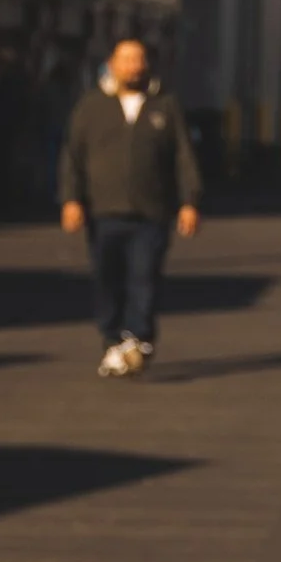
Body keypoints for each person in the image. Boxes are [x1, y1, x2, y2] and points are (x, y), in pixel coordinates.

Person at [57, 34, 202, 377]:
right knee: (106, 279)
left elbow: (183, 156)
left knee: (144, 277)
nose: (133, 67)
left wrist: (189, 202)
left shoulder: (164, 105)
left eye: (138, 60)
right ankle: (112, 341)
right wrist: (71, 199)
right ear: (112, 65)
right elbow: (72, 157)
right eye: (126, 60)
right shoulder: (91, 106)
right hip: (104, 211)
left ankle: (137, 338)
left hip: (151, 212)